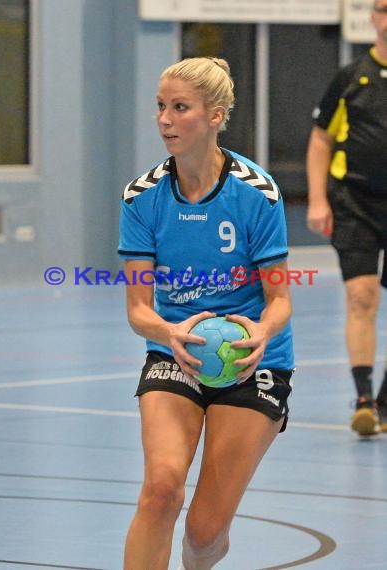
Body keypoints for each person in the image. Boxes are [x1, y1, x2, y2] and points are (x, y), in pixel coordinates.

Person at [118, 56, 294, 570]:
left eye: (180, 108)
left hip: (250, 360)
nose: (165, 120)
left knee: (203, 531)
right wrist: (169, 331)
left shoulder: (256, 193)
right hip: (176, 348)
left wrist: (259, 330)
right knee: (160, 490)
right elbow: (137, 310)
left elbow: (280, 300)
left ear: (215, 116)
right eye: (160, 107)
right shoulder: (143, 196)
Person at [306, 0, 387, 437]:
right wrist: (318, 199)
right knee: (362, 297)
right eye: (383, 9)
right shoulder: (350, 79)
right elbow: (321, 140)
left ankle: (386, 401)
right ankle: (363, 400)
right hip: (354, 202)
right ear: (373, 17)